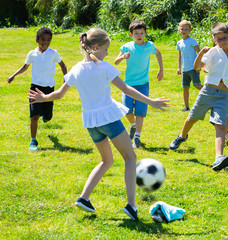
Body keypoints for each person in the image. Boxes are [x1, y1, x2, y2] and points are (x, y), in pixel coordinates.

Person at [28, 28, 170, 220]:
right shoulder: (104, 67)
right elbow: (126, 89)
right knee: (130, 157)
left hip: (91, 123)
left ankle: (84, 198)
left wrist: (43, 97)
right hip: (108, 119)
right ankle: (131, 205)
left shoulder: (77, 69)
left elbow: (60, 94)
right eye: (105, 49)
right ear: (95, 47)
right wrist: (151, 101)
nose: (107, 53)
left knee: (107, 160)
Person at [169, 22, 228, 171]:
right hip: (208, 92)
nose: (222, 41)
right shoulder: (212, 53)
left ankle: (218, 159)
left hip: (224, 94)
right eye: (218, 39)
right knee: (192, 118)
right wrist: (201, 53)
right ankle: (182, 136)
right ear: (214, 40)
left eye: (224, 38)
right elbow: (197, 68)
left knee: (221, 125)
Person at [8, 27, 67, 151]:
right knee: (34, 116)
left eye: (48, 40)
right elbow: (25, 67)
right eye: (42, 39)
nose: (45, 42)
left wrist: (65, 77)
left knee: (48, 116)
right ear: (37, 40)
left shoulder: (53, 53)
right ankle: (33, 141)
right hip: (35, 88)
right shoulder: (32, 54)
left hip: (49, 89)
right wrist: (13, 75)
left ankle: (46, 116)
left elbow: (62, 65)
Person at [114, 20, 164, 148]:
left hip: (143, 84)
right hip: (128, 85)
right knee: (127, 110)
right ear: (131, 34)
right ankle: (133, 125)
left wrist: (161, 69)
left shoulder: (149, 46)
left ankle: (137, 137)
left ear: (145, 33)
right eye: (136, 33)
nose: (139, 35)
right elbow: (116, 62)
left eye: (141, 32)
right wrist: (122, 57)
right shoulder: (127, 47)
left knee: (140, 112)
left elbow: (158, 54)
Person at [176, 20, 202, 112]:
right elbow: (180, 56)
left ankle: (210, 94)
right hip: (185, 69)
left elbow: (200, 53)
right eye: (182, 29)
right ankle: (186, 107)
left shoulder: (192, 41)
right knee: (185, 87)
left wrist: (200, 65)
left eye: (186, 29)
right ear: (179, 30)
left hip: (193, 68)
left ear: (190, 30)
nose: (184, 30)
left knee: (197, 85)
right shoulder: (179, 43)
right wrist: (179, 68)